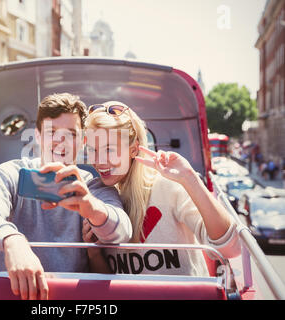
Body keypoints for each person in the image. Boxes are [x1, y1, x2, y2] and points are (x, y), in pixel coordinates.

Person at [0, 93, 132, 300]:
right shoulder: (12, 173)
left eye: (71, 134)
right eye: (51, 132)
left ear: (83, 140)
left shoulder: (93, 186)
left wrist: (92, 207)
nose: (60, 141)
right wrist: (13, 240)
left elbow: (122, 231)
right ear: (37, 136)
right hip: (8, 293)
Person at [82, 101, 241, 276]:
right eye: (92, 150)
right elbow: (109, 284)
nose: (99, 161)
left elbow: (230, 249)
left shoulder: (168, 186)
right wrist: (94, 253)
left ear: (134, 150)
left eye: (109, 150)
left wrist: (189, 178)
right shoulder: (103, 205)